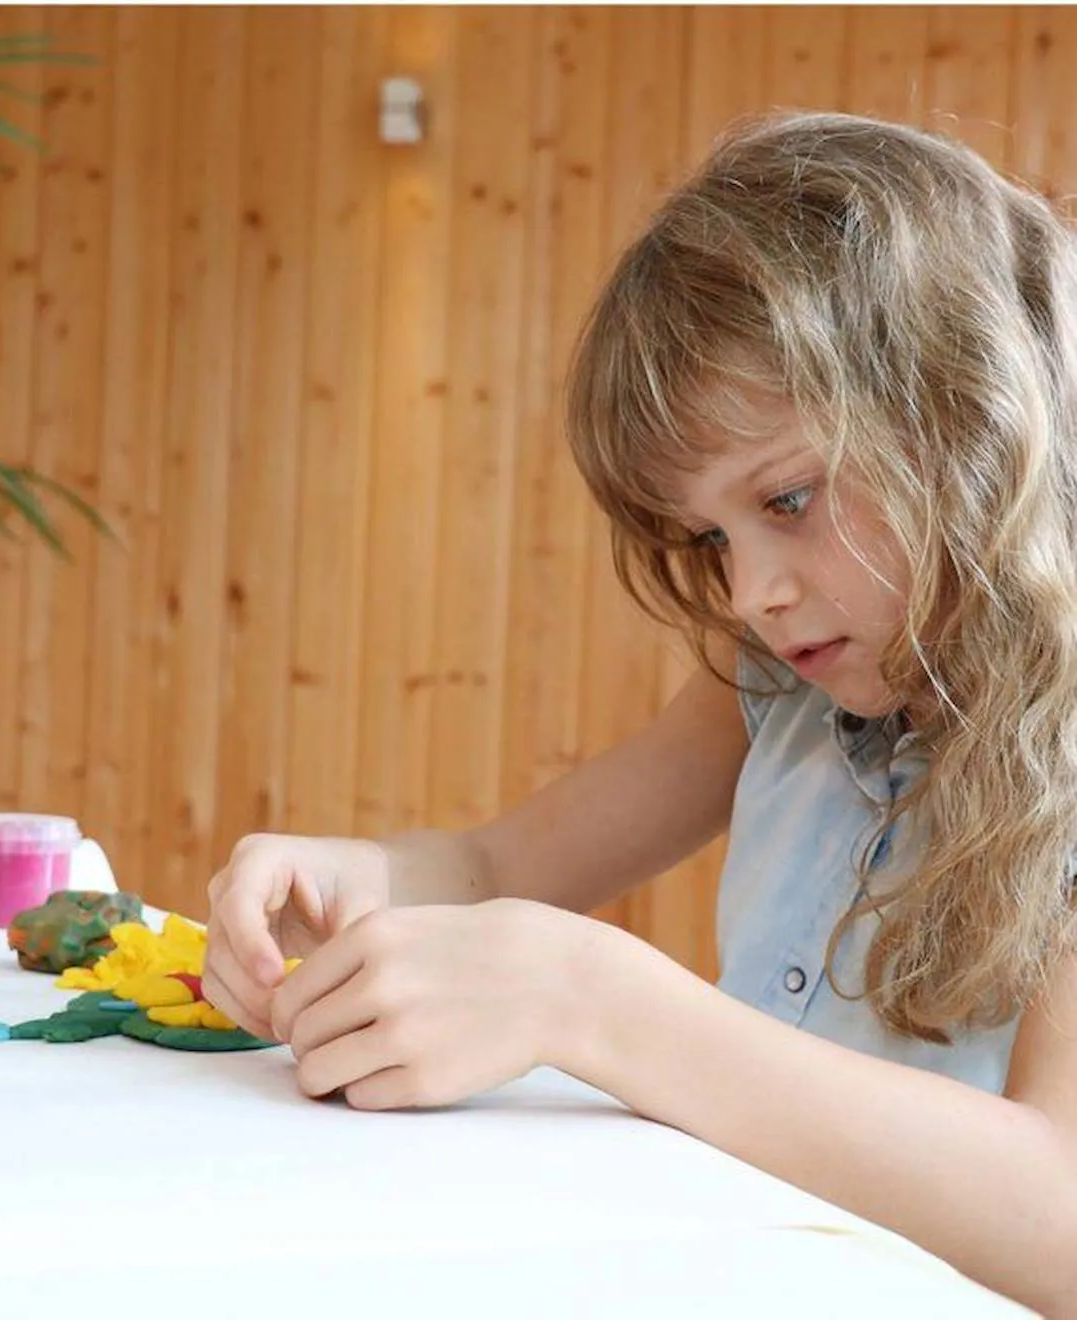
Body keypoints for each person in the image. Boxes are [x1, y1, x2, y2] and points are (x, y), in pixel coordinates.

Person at [202, 111, 1077, 1316]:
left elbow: (1061, 1220)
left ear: (969, 415)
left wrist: (590, 998)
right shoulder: (775, 685)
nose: (754, 591)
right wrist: (353, 876)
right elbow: (498, 863)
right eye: (712, 536)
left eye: (790, 496)